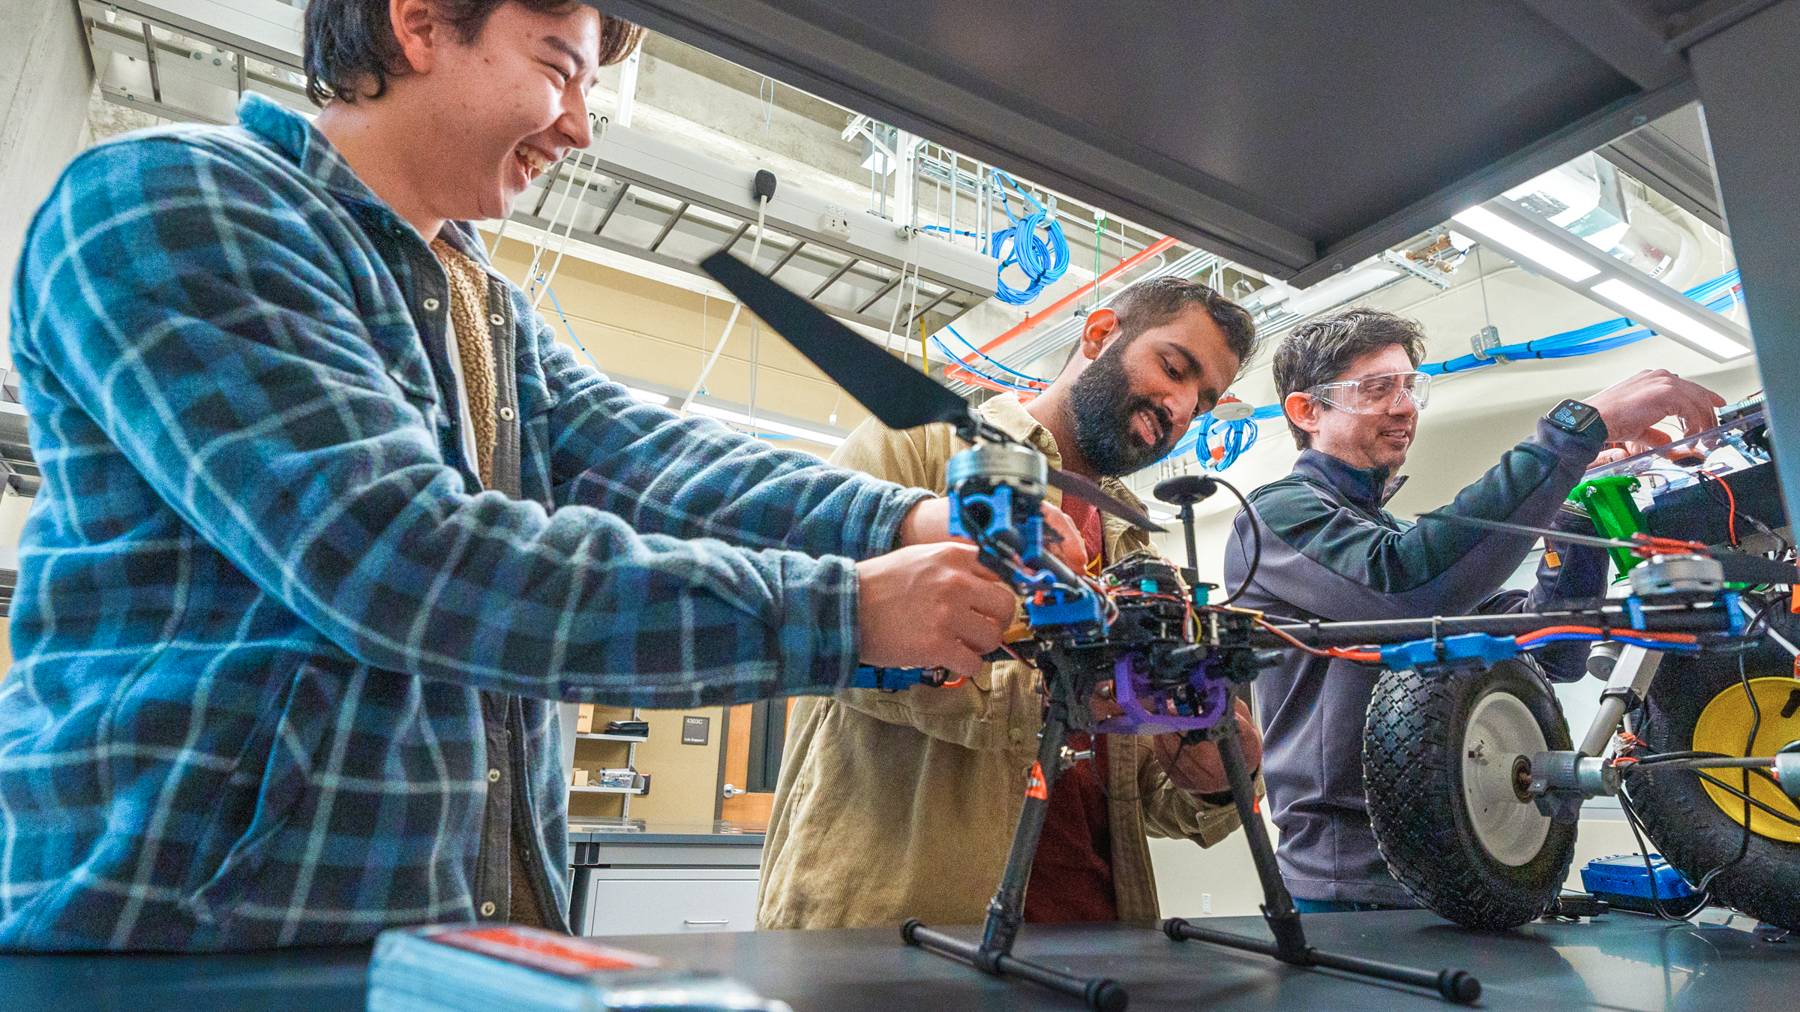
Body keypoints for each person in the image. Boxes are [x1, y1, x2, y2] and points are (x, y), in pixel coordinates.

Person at [0, 0, 1060, 950]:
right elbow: (398, 556)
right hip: (183, 935)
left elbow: (652, 461)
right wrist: (842, 613)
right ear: (419, 23)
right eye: (559, 67)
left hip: (446, 933)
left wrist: (905, 519)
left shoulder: (481, 304)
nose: (580, 125)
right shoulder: (175, 201)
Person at [759, 277, 1268, 930]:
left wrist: (1217, 773)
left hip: (1095, 940)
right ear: (1099, 333)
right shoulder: (917, 447)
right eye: (1173, 368)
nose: (1179, 407)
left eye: (1201, 402)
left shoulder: (1135, 542)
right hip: (905, 930)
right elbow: (821, 637)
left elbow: (1132, 781)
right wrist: (1055, 692)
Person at [1223, 308, 1725, 911]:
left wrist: (1571, 518)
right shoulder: (1275, 518)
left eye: (1410, 386)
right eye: (1378, 388)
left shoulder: (1392, 537)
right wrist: (1574, 432)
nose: (1404, 406)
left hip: (1478, 863)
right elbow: (1403, 588)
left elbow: (1552, 653)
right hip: (1356, 886)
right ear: (1306, 411)